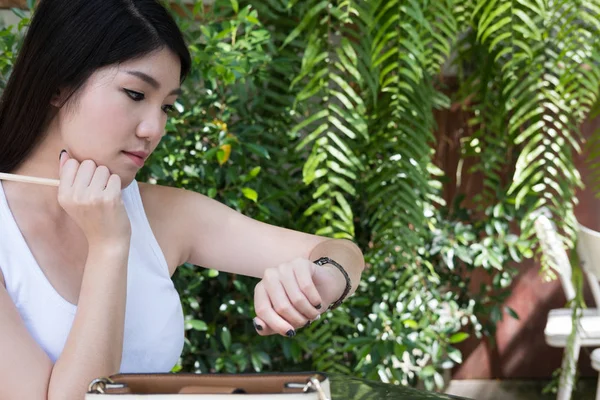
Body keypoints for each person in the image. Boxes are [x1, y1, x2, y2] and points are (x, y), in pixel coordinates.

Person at [0, 0, 365, 399]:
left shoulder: (164, 214)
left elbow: (339, 252)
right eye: (136, 93)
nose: (154, 128)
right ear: (59, 84)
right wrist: (108, 246)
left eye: (168, 106)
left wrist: (319, 281)